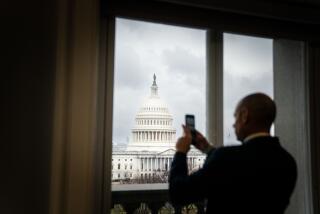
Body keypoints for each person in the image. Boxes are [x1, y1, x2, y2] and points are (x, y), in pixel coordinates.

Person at [169, 93, 297, 214]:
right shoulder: (288, 161)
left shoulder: (226, 158)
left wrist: (180, 153)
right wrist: (207, 149)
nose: (234, 124)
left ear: (244, 115)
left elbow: (178, 193)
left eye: (235, 117)